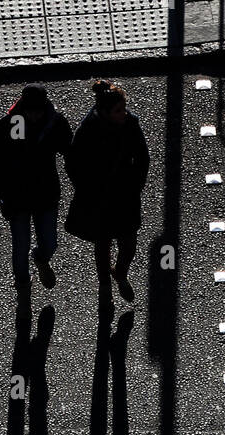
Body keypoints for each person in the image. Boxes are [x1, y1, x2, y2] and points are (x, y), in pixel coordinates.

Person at [0, 85, 73, 320]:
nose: (34, 116)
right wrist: (2, 197)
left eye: (38, 111)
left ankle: (42, 258)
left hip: (45, 195)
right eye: (30, 111)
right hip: (18, 198)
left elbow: (69, 151)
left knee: (50, 243)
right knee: (20, 247)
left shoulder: (54, 123)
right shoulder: (7, 126)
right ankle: (23, 295)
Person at [65, 80, 150, 311]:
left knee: (129, 244)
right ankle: (105, 285)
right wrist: (86, 188)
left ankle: (120, 272)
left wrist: (136, 184)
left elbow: (142, 156)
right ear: (104, 112)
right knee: (102, 244)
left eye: (124, 108)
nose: (124, 113)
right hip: (99, 196)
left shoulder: (130, 123)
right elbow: (73, 163)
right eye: (118, 110)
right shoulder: (87, 130)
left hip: (125, 194)